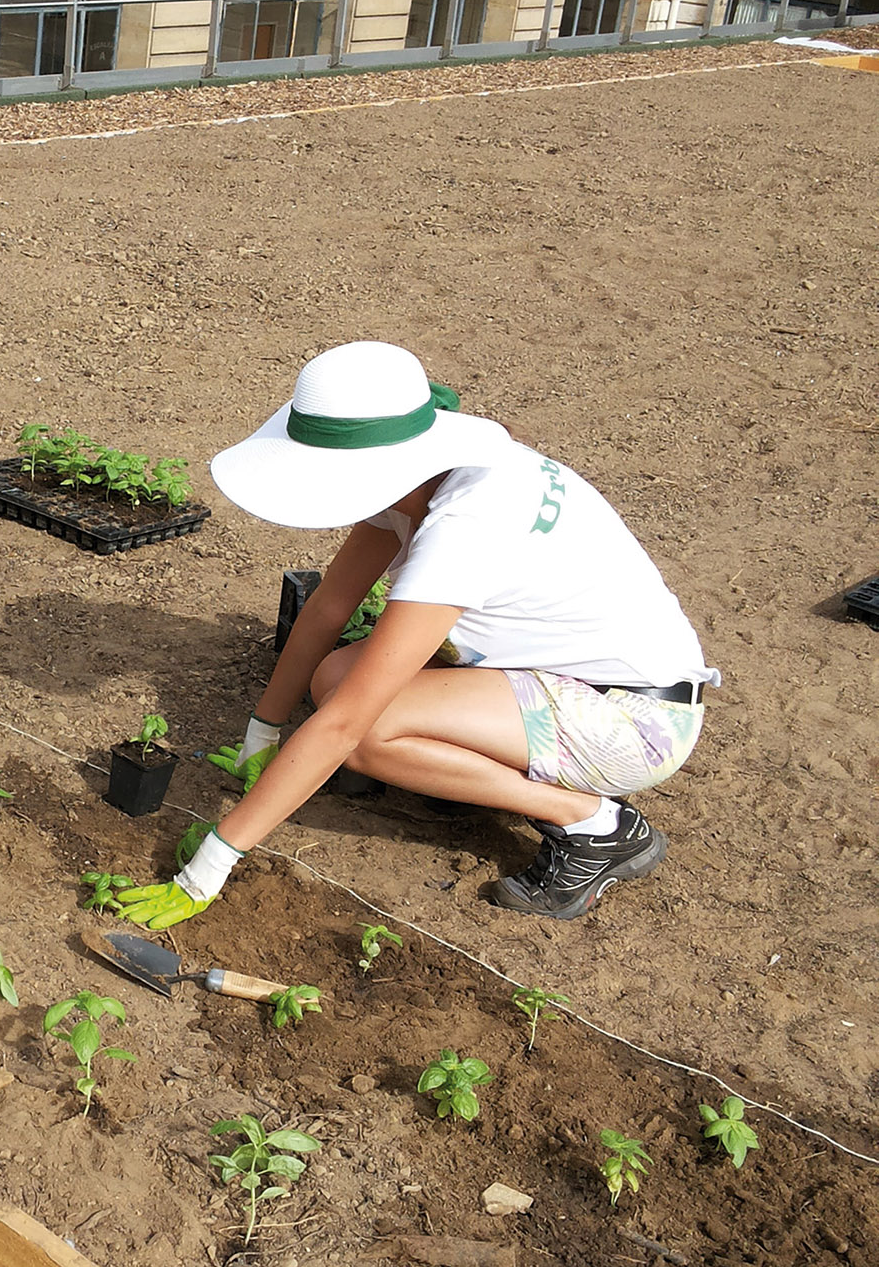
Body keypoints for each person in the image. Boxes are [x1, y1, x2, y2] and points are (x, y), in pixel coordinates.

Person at [119, 340, 717, 928]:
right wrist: (263, 732)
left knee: (366, 731)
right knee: (336, 677)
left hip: (632, 720)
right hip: (563, 674)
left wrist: (208, 868)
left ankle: (593, 823)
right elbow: (331, 604)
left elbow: (348, 722)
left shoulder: (466, 526)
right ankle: (480, 768)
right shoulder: (420, 478)